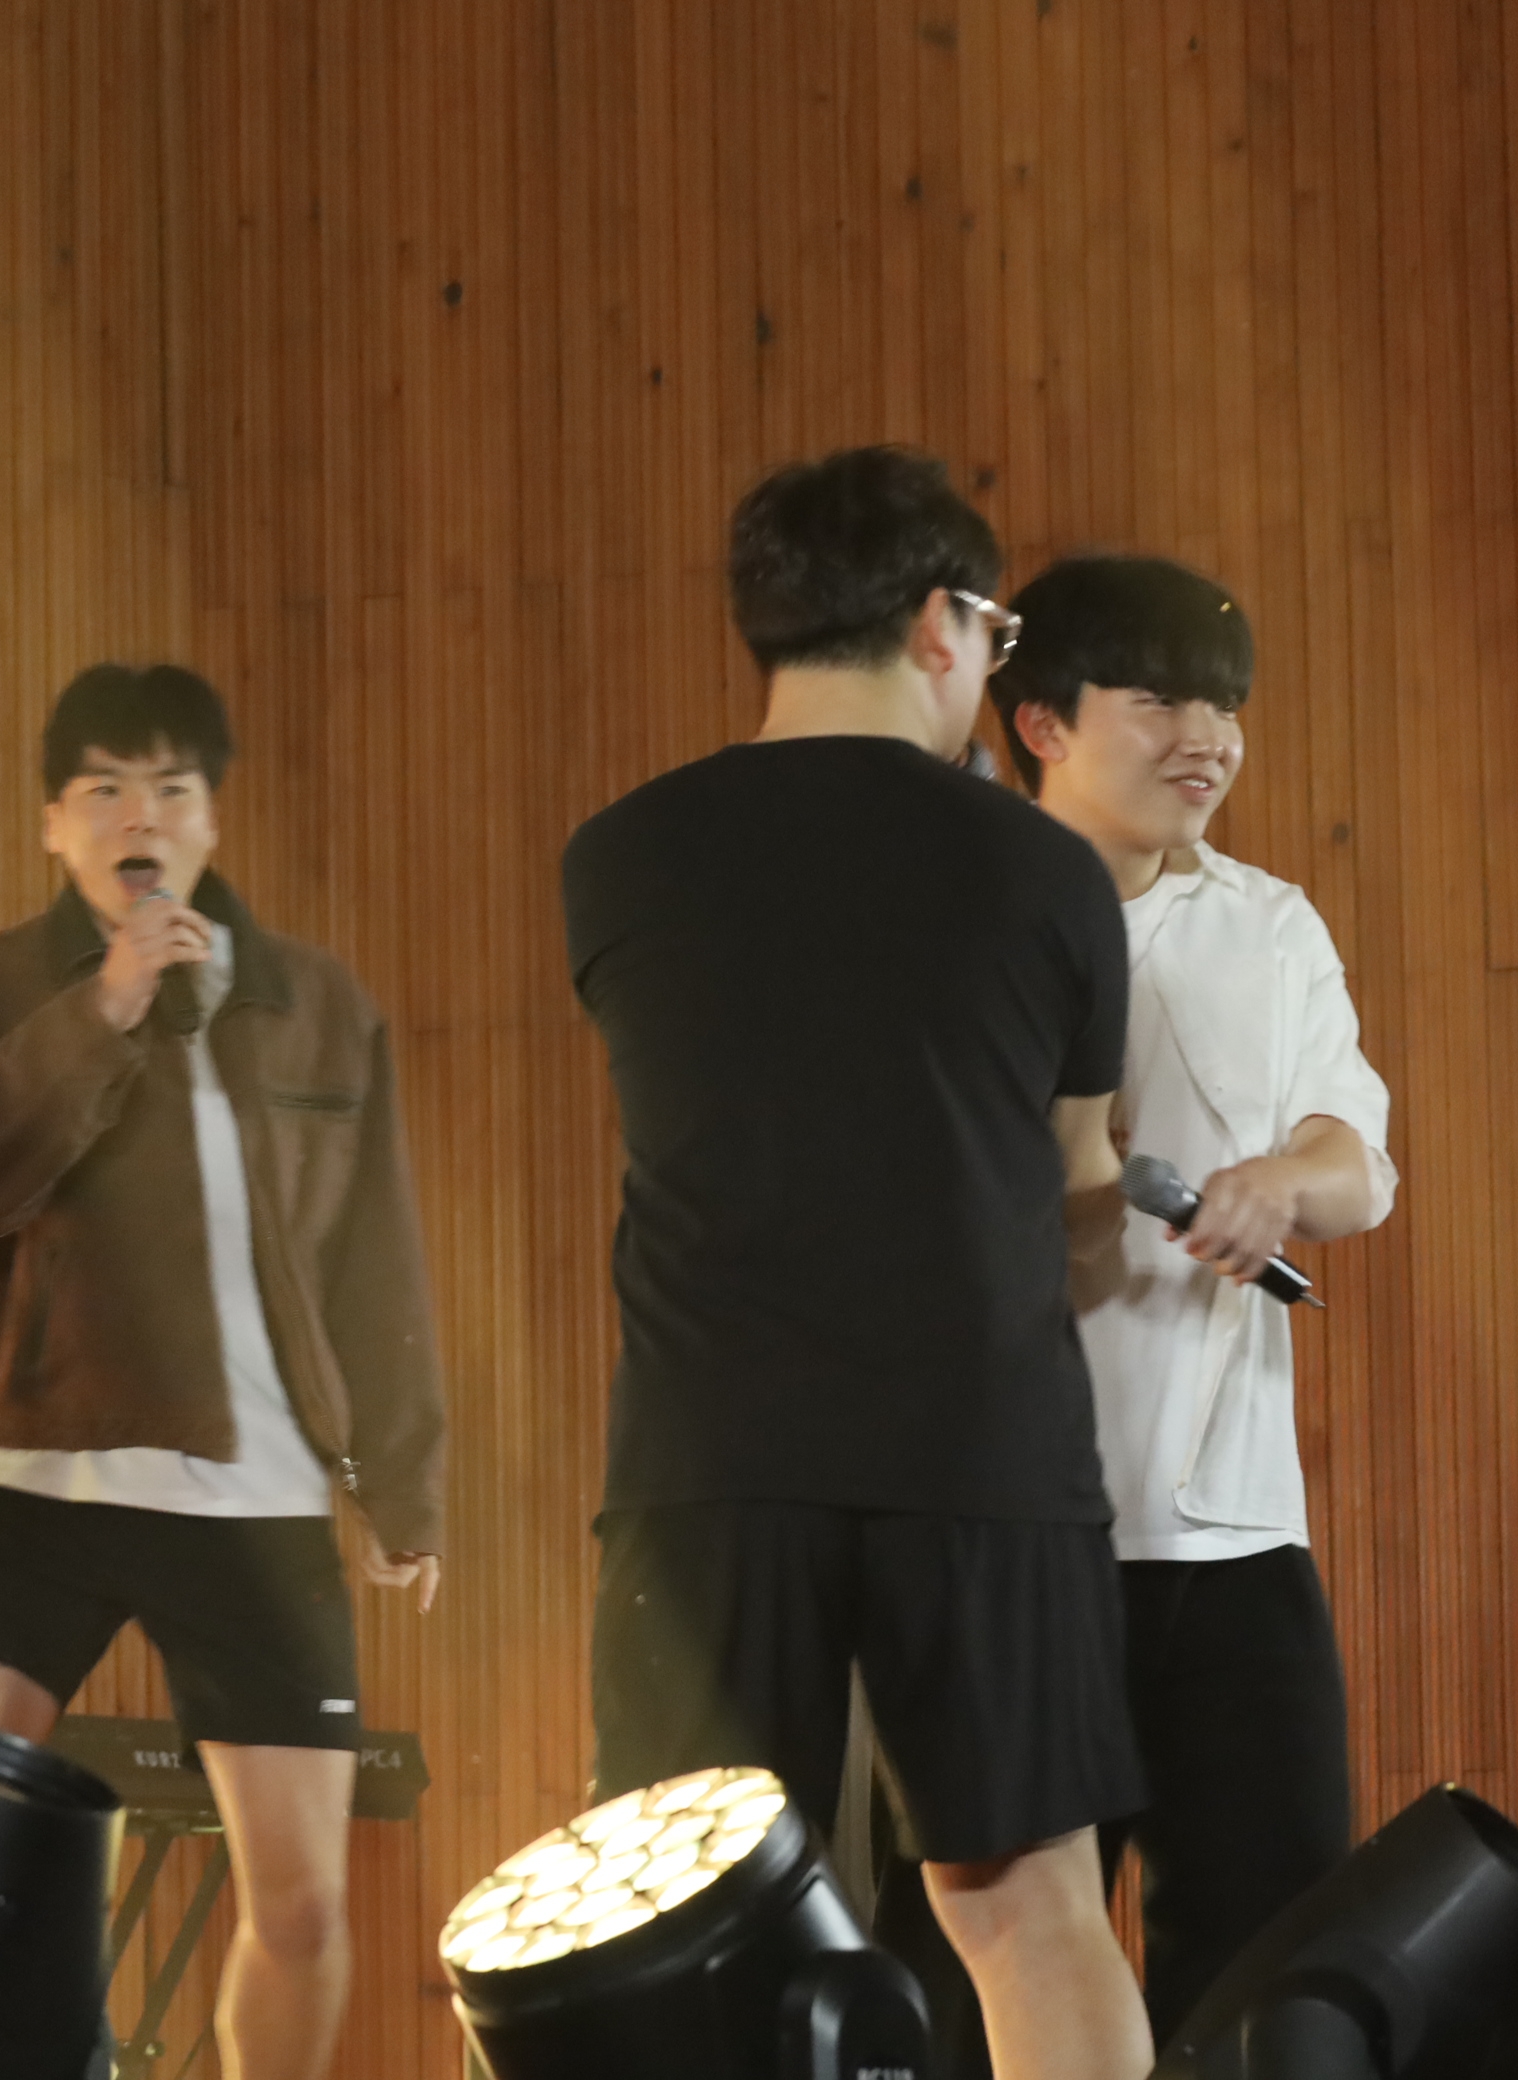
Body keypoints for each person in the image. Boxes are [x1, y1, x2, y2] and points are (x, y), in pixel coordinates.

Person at [565, 446, 1155, 2080]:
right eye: (995, 636)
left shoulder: (618, 856)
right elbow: (1078, 1180)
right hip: (979, 1444)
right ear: (939, 623)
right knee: (1026, 1903)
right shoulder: (1048, 870)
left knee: (682, 1918)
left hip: (711, 1453)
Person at [0, 662, 446, 2080]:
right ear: (53, 825)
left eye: (172, 788)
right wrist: (105, 1006)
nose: (141, 816)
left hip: (259, 1501)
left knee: (303, 1908)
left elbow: (375, 1256)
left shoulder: (316, 1004)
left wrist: (403, 1483)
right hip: (38, 1475)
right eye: (105, 790)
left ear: (211, 819)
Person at [987, 554, 1395, 2044]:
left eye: (1224, 704)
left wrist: (1282, 1180)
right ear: (1042, 722)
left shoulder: (1267, 922)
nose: (1207, 738)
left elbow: (1361, 1163)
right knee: (997, 1971)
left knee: (1274, 1974)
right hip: (1012, 1536)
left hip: (1234, 1536)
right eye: (1160, 699)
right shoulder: (963, 912)